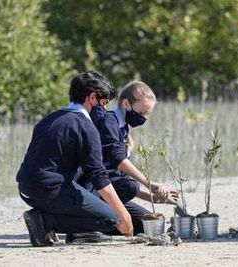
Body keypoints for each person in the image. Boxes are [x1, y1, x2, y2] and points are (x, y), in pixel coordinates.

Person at [16, 71, 133, 247]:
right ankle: (45, 220)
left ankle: (44, 219)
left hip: (26, 187)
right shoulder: (86, 127)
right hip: (50, 189)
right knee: (112, 220)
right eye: (103, 103)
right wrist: (124, 215)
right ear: (92, 98)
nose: (104, 110)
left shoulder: (49, 118)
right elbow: (98, 176)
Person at [78, 80, 178, 235]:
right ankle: (88, 223)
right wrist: (149, 183)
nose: (144, 118)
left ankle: (104, 222)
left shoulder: (123, 128)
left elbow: (119, 179)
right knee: (131, 186)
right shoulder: (108, 121)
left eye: (147, 114)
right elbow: (117, 159)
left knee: (144, 225)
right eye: (142, 113)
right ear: (126, 104)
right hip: (93, 189)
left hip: (108, 189)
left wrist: (153, 198)